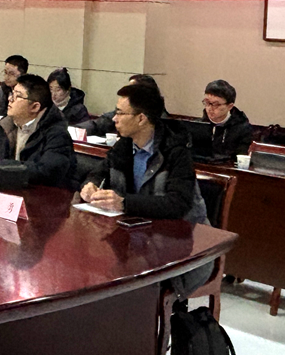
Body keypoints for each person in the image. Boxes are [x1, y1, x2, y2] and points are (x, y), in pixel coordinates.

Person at [79, 83, 209, 295]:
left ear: (141, 118)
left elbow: (178, 204)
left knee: (127, 287)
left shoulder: (175, 151)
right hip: (136, 239)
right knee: (94, 268)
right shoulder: (124, 145)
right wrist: (90, 185)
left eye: (120, 113)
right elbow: (99, 172)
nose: (114, 119)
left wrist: (124, 203)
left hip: (180, 248)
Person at [0, 74, 76, 189]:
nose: (10, 99)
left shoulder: (57, 134)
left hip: (42, 198)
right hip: (12, 191)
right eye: (12, 93)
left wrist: (5, 167)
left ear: (35, 107)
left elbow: (47, 171)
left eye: (18, 96)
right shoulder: (10, 125)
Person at [84, 73, 162, 138]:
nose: (114, 119)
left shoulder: (161, 123)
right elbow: (100, 123)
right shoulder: (123, 146)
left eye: (132, 89)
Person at [201, 79, 255, 159]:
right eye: (207, 103)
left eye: (216, 104)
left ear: (230, 106)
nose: (210, 108)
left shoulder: (243, 129)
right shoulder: (199, 125)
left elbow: (241, 158)